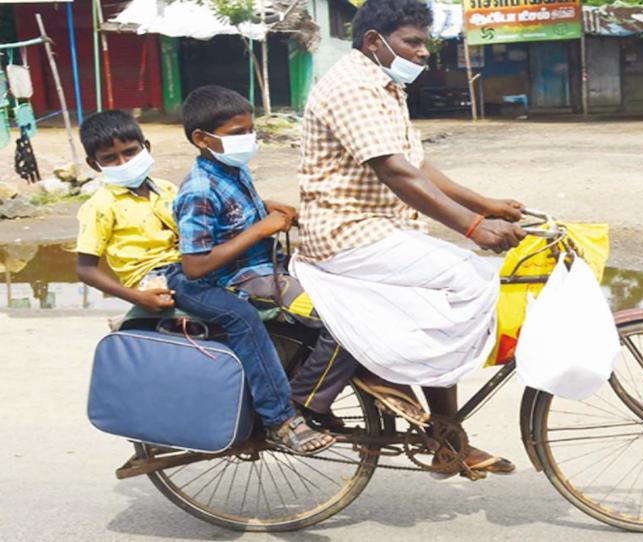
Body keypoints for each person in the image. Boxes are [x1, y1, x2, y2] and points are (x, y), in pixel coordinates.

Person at [290, 0, 528, 476]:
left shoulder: (385, 84)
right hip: (345, 233)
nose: (424, 53)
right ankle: (402, 379)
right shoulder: (354, 87)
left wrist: (484, 204)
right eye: (413, 42)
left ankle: (446, 441)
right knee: (470, 278)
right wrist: (476, 227)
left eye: (425, 42)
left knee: (447, 292)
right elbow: (395, 171)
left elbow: (416, 163)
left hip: (378, 230)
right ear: (375, 42)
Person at [75, 110, 331, 455]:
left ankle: (300, 390)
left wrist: (265, 206)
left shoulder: (165, 189)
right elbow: (85, 269)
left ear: (146, 147)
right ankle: (281, 419)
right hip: (164, 277)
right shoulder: (100, 205)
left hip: (192, 265)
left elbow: (206, 216)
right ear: (95, 165)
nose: (124, 161)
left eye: (130, 152)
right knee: (241, 316)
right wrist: (138, 296)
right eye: (111, 158)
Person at [173, 85, 364, 433]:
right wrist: (260, 229)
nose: (248, 139)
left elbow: (236, 215)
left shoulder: (232, 171)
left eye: (250, 131)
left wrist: (269, 207)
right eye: (236, 134)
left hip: (267, 266)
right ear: (202, 138)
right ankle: (304, 402)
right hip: (241, 280)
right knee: (342, 321)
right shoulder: (198, 190)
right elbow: (194, 265)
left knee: (355, 291)